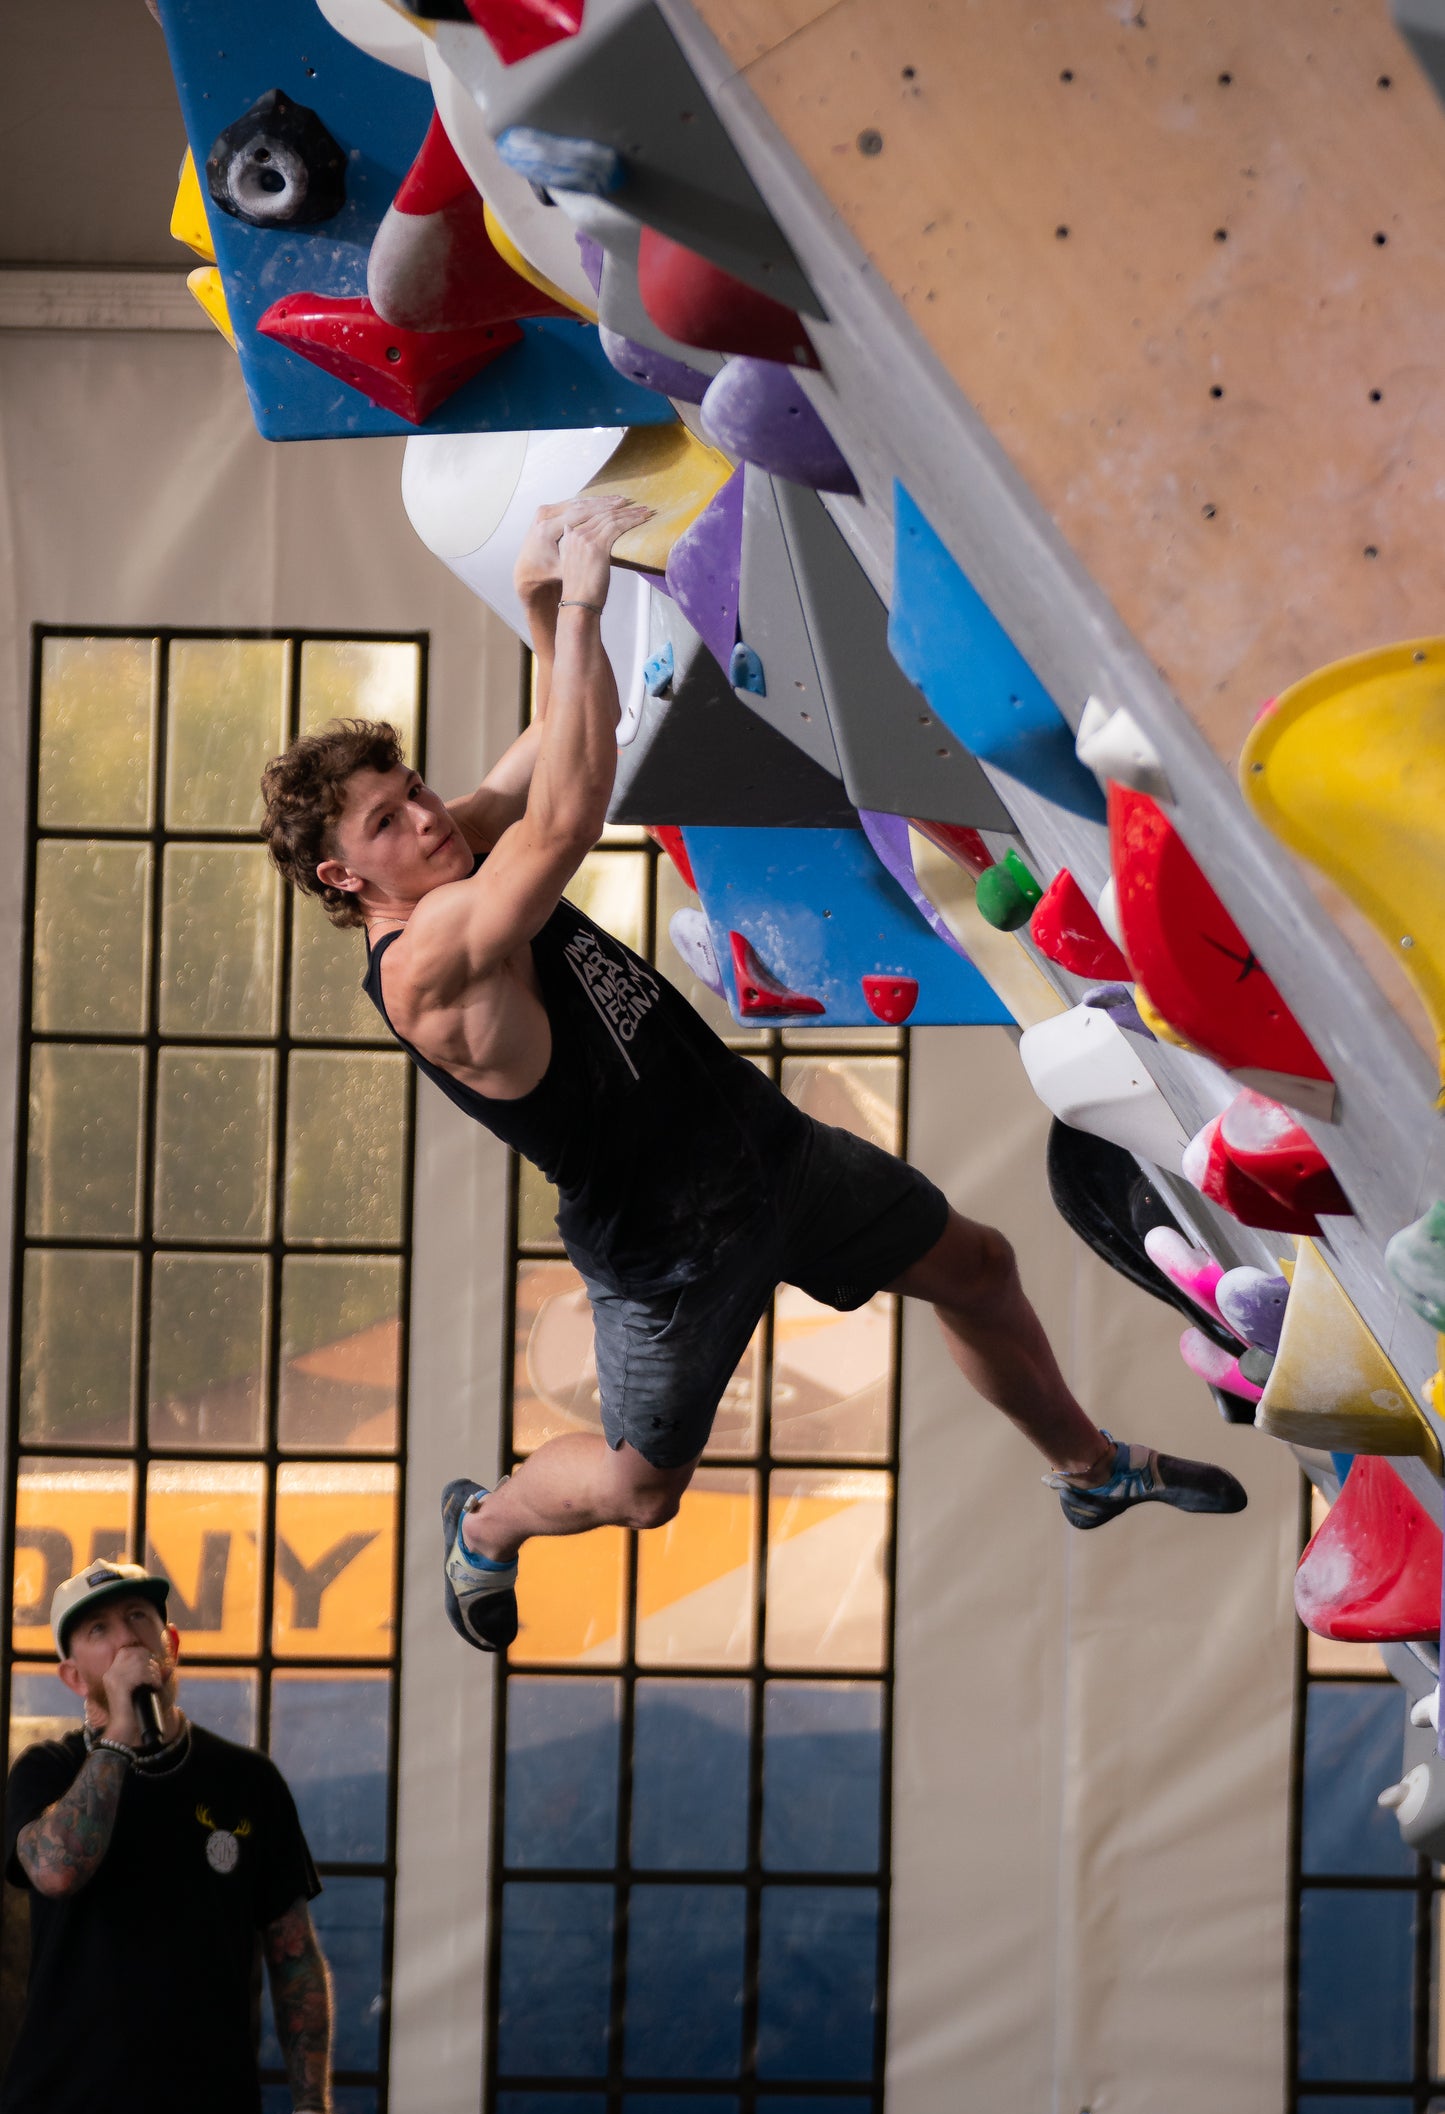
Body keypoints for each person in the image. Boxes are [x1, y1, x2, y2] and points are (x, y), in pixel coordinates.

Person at [259, 493, 1246, 1656]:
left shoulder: (445, 850)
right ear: (339, 876)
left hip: (761, 1147)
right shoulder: (427, 960)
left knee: (978, 1268)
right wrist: (577, 603)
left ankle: (1085, 1468)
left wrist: (540, 603)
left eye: (416, 787)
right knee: (640, 1491)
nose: (427, 814)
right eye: (390, 818)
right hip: (668, 1246)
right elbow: (571, 807)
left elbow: (563, 735)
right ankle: (486, 1522)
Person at [2, 1559, 335, 2114]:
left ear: (170, 1644)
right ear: (74, 1677)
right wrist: (119, 1736)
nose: (126, 1637)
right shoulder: (45, 1771)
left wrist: (310, 2113)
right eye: (99, 1630)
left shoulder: (247, 1781)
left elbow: (294, 1957)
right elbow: (55, 1870)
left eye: (137, 1618)